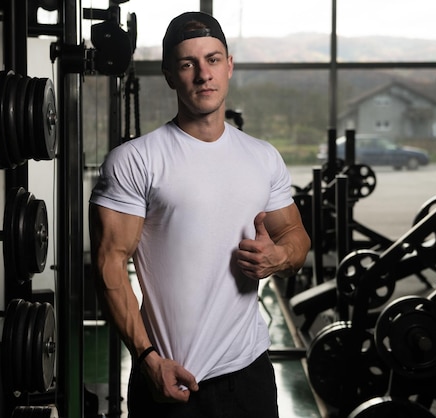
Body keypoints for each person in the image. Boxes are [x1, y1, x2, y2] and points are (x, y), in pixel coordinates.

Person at [89, 11, 311, 418]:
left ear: (229, 66)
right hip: (170, 376)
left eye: (212, 59)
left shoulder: (262, 157)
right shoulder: (135, 161)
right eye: (188, 63)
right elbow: (110, 265)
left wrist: (277, 257)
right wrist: (147, 359)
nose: (202, 74)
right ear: (170, 75)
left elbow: (296, 237)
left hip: (249, 374)